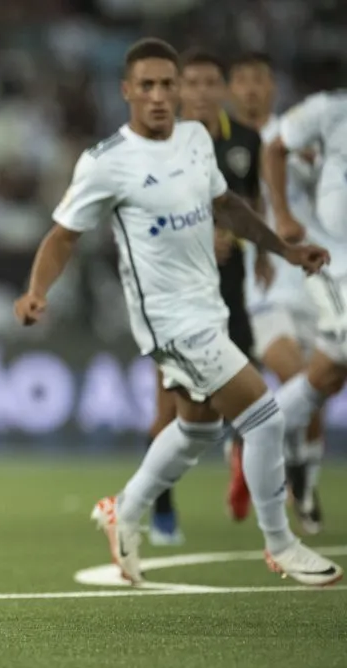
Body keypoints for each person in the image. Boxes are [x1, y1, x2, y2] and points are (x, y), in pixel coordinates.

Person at [14, 38, 341, 587]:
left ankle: (125, 509)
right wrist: (36, 291)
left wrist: (283, 249)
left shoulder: (194, 139)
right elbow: (63, 236)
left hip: (207, 307)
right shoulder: (106, 163)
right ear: (126, 92)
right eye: (148, 86)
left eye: (169, 84)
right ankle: (282, 544)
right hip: (169, 322)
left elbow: (227, 206)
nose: (161, 96)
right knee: (264, 416)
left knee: (196, 428)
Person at [145, 49, 266, 546]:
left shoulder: (246, 140)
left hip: (232, 286)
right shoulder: (157, 144)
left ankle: (242, 463)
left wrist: (248, 247)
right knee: (171, 408)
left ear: (223, 89)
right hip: (175, 290)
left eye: (208, 82)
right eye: (188, 83)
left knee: (248, 396)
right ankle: (162, 505)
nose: (198, 92)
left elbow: (251, 205)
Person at [229, 52, 325, 534]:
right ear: (232, 88)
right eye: (241, 80)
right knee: (298, 376)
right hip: (262, 285)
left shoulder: (301, 134)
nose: (250, 89)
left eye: (258, 80)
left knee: (318, 387)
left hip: (316, 282)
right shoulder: (220, 143)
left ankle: (302, 475)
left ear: (272, 86)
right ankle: (268, 454)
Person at [266, 90, 347, 512]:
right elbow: (275, 147)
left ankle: (260, 434)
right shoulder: (330, 109)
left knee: (328, 375)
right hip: (340, 262)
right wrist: (282, 214)